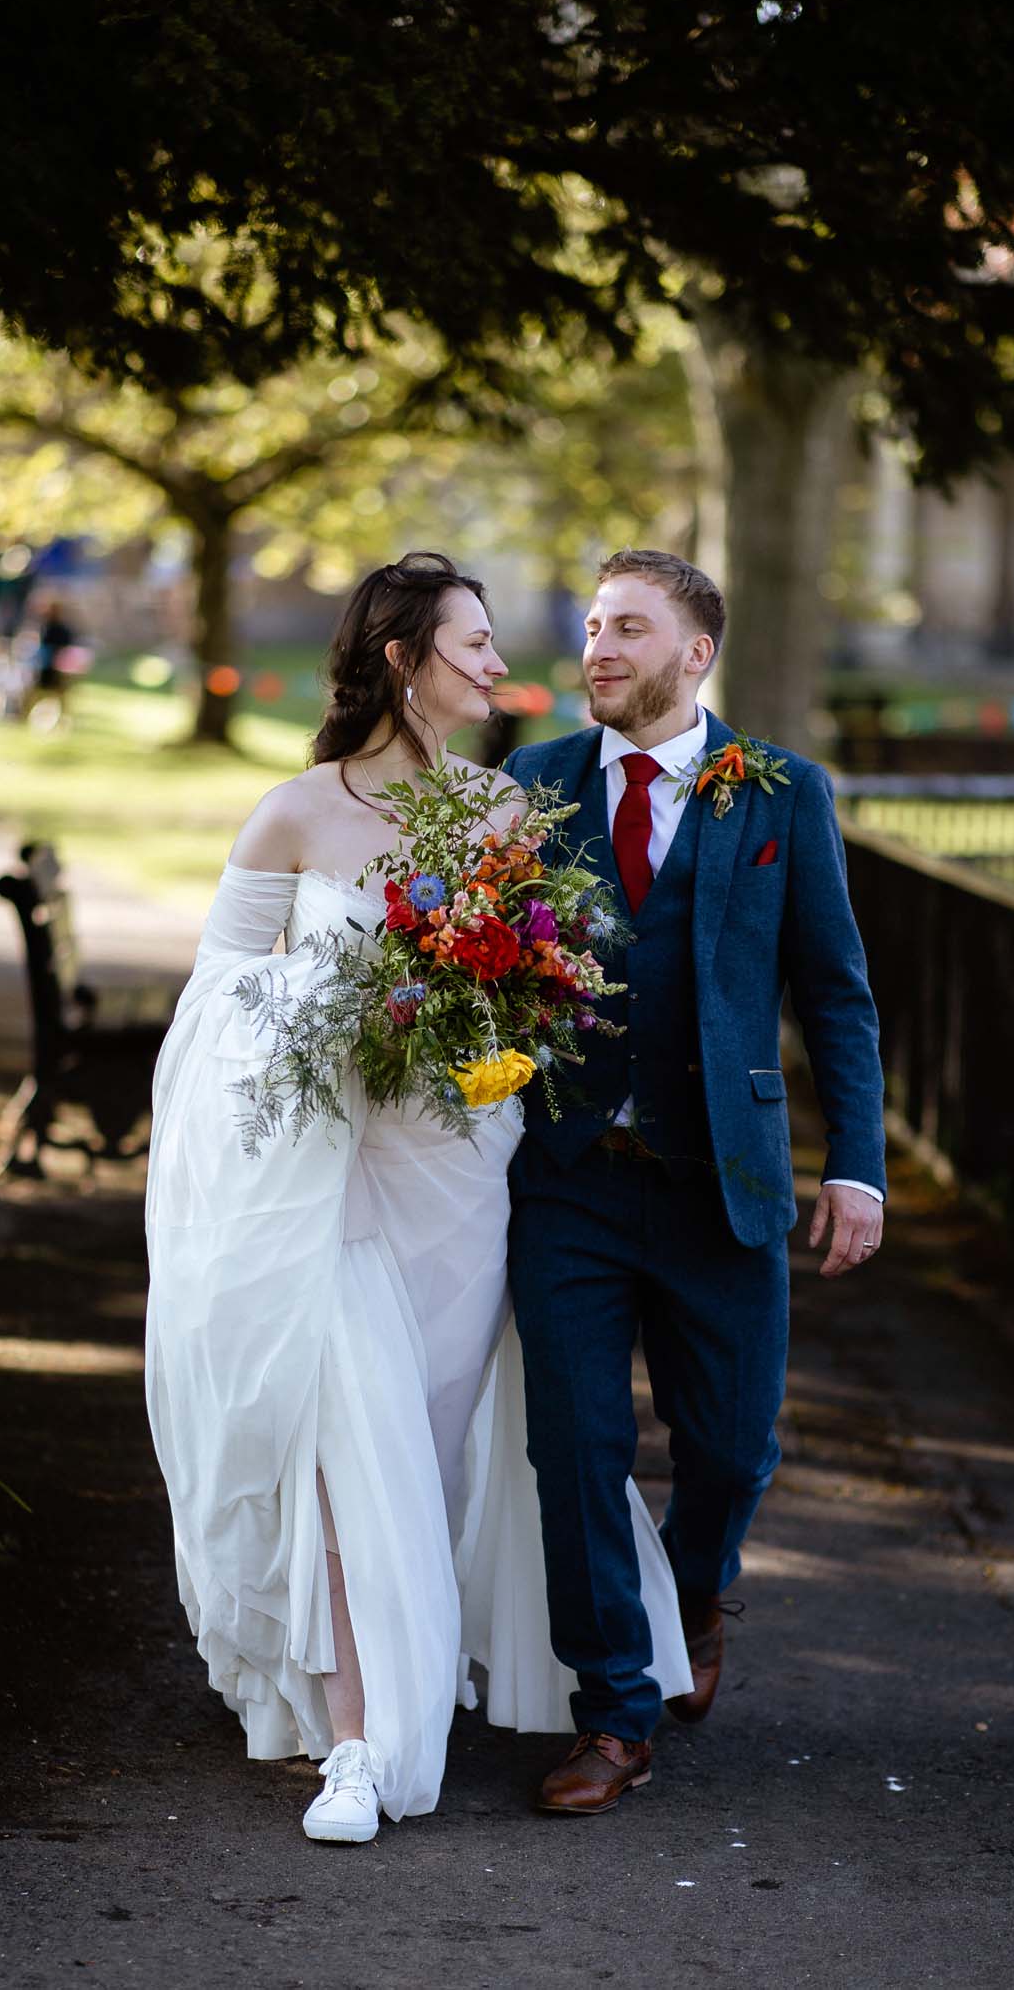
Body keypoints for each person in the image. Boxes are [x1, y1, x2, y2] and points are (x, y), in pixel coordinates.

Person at [144, 552, 691, 1845]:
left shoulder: (504, 819)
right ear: (402, 660)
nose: (501, 668)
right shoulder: (290, 815)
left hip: (460, 1180)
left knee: (429, 1454)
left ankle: (419, 1665)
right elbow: (213, 1001)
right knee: (350, 1446)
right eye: (475, 646)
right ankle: (353, 1744)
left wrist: (467, 1055)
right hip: (326, 1185)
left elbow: (545, 1023)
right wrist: (338, 1021)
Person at [505, 547, 887, 1815]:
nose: (597, 648)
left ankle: (694, 1590)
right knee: (575, 1445)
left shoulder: (781, 792)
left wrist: (859, 1169)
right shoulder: (534, 784)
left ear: (695, 652)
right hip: (566, 1176)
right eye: (590, 625)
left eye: (628, 627)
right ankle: (614, 1709)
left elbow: (834, 995)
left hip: (725, 1180)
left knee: (729, 1449)